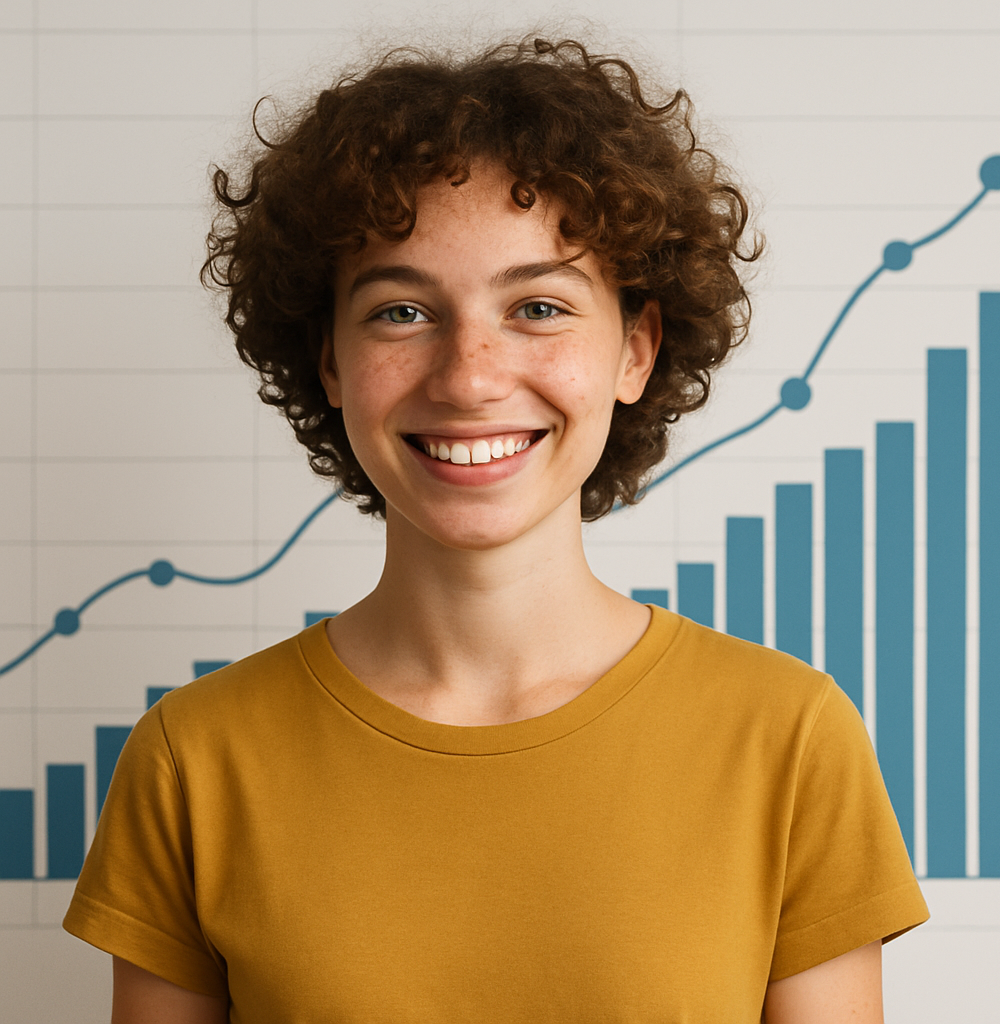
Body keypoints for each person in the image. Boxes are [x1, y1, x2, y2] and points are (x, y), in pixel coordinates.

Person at [63, 36, 928, 1023]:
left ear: (635, 349)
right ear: (330, 362)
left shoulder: (787, 736)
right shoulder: (193, 759)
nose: (469, 376)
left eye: (539, 305)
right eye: (399, 311)